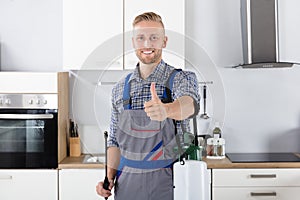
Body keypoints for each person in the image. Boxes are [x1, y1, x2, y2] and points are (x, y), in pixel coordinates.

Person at [96, 12, 200, 200]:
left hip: (170, 185)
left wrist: (166, 110)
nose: (147, 44)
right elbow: (114, 142)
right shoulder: (119, 89)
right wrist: (109, 178)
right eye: (141, 38)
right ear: (133, 42)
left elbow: (190, 104)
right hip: (127, 186)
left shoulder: (181, 79)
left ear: (164, 41)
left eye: (154, 38)